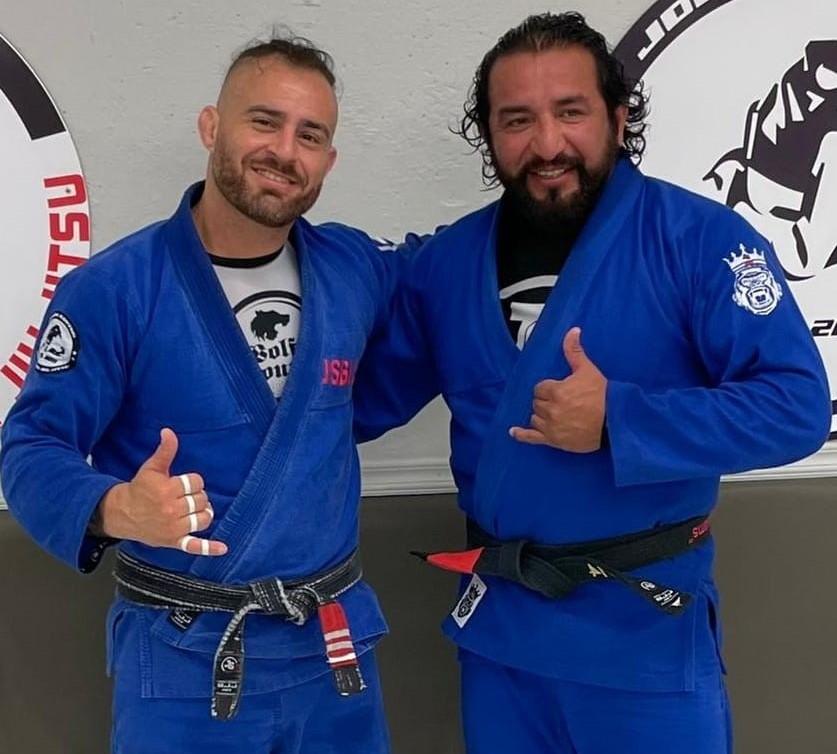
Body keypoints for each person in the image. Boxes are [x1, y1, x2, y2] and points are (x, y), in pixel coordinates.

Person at [353, 12, 832, 754]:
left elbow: (795, 408)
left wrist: (621, 419)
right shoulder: (447, 265)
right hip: (503, 638)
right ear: (488, 134)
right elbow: (352, 406)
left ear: (616, 115)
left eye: (569, 112)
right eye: (517, 120)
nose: (546, 145)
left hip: (642, 636)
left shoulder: (698, 242)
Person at [1, 33, 406, 754]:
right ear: (210, 126)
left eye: (309, 134)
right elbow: (29, 448)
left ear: (328, 160)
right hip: (185, 657)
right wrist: (111, 506)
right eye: (263, 121)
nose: (284, 150)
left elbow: (449, 283)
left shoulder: (353, 268)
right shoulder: (114, 290)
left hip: (331, 650)